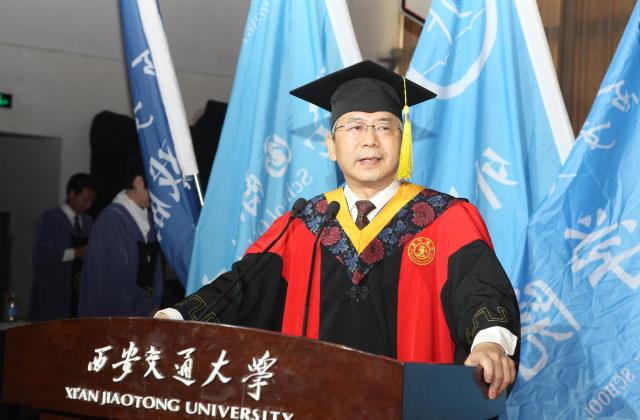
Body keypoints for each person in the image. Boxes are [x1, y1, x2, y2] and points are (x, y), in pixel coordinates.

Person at [156, 60, 520, 400]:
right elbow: (241, 288)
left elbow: (483, 292)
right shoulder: (306, 223)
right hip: (316, 402)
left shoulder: (446, 219)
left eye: (384, 127)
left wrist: (490, 343)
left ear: (403, 139)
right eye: (355, 127)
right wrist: (174, 319)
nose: (370, 140)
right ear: (331, 146)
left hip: (411, 403)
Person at [78, 157, 162, 316]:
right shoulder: (112, 220)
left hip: (144, 317)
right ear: (139, 183)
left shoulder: (150, 218)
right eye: (157, 186)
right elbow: (113, 283)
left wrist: (155, 306)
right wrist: (147, 310)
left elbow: (155, 275)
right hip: (115, 319)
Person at [30, 173, 96, 321]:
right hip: (55, 295)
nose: (88, 205)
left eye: (91, 201)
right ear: (72, 194)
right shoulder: (50, 219)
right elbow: (41, 258)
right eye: (85, 200)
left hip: (78, 295)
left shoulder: (88, 222)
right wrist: (75, 253)